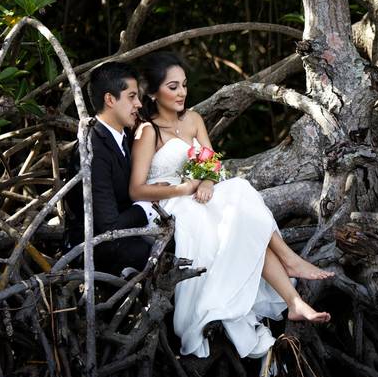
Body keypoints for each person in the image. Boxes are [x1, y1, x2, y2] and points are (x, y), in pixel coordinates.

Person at [129, 52, 333, 359]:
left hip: (204, 195)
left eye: (184, 85)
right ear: (153, 92)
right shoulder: (148, 132)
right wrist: (184, 187)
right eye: (173, 87)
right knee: (239, 198)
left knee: (239, 194)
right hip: (172, 203)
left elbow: (210, 162)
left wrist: (208, 182)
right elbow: (136, 189)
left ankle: (294, 302)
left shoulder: (194, 119)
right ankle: (290, 271)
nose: (182, 92)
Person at [65, 61, 154, 276]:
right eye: (132, 97)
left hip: (122, 235)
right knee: (164, 254)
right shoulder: (93, 147)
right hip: (96, 248)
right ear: (110, 99)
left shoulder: (121, 136)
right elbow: (109, 227)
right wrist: (146, 207)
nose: (139, 104)